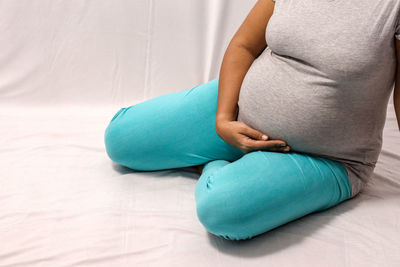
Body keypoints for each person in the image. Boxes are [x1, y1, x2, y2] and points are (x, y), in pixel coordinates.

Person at [104, 0, 400, 240]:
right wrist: (223, 119)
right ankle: (230, 152)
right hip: (237, 112)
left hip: (326, 156)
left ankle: (216, 164)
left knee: (221, 211)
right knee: (121, 140)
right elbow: (244, 45)